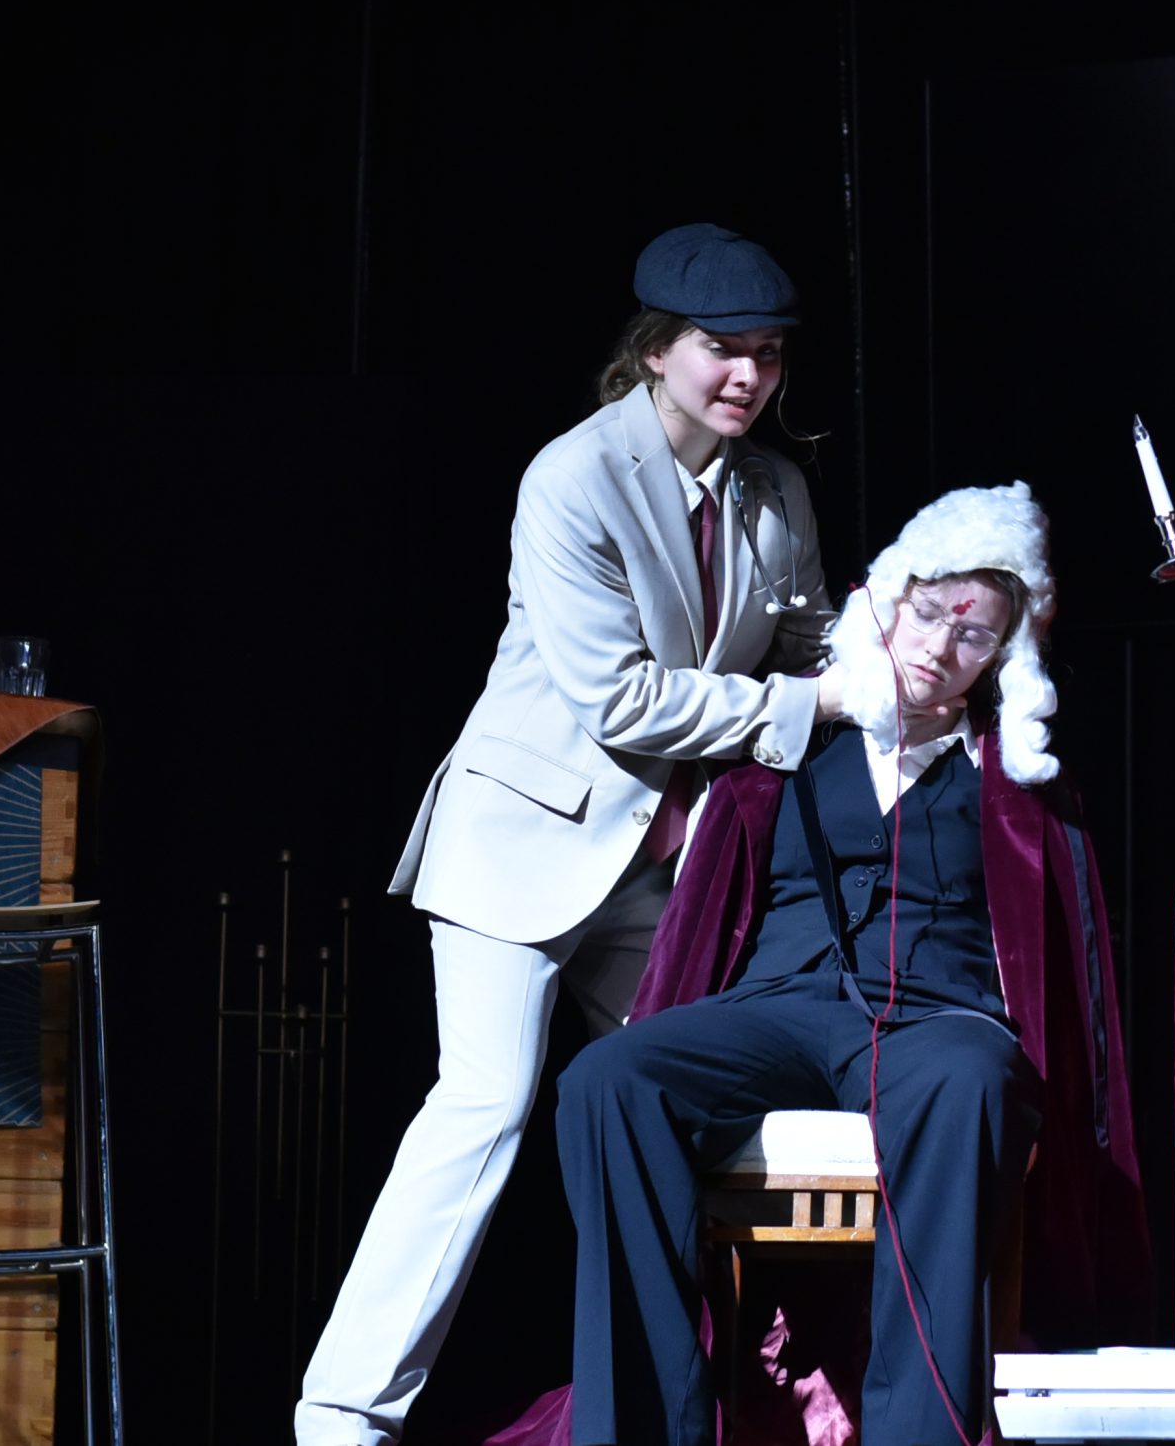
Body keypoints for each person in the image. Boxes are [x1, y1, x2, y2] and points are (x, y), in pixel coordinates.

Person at [297, 222, 845, 1446]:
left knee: (693, 1111)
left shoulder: (777, 491)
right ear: (655, 351)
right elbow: (622, 698)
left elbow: (816, 647)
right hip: (521, 843)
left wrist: (918, 640)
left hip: (657, 868)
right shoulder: (573, 478)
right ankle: (340, 1417)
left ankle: (734, 1393)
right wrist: (813, 706)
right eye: (720, 349)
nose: (747, 376)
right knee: (484, 1107)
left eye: (767, 353)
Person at [556, 483, 1146, 1446]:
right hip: (781, 1006)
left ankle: (918, 1430)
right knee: (607, 1080)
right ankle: (648, 1427)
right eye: (929, 612)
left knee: (971, 1079)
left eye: (973, 634)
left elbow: (1058, 964)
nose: (939, 646)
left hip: (936, 1019)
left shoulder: (1016, 785)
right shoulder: (790, 750)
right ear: (888, 601)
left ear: (1001, 657)